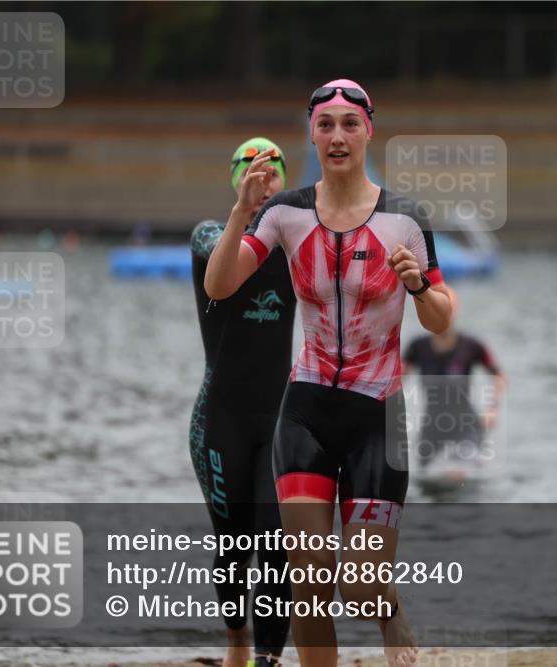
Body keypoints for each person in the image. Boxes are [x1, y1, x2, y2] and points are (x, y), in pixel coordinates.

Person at [204, 79, 452, 667]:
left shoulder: (405, 219)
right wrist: (243, 210)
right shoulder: (284, 212)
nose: (337, 136)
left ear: (369, 130)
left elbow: (442, 319)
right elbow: (220, 284)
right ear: (312, 134)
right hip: (307, 410)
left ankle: (388, 609)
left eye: (349, 124)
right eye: (325, 125)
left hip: (377, 415)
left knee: (361, 592)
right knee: (310, 584)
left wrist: (417, 284)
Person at [190, 137, 295, 667]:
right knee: (235, 547)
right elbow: (219, 258)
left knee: (277, 549)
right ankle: (236, 643)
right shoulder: (211, 233)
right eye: (250, 167)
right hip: (220, 420)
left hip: (278, 421)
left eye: (272, 166)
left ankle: (269, 659)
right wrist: (244, 212)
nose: (261, 174)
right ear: (234, 177)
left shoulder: (298, 239)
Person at [401, 288, 505, 478]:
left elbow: (498, 376)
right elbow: (397, 380)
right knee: (422, 475)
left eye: (447, 310)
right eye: (436, 310)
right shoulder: (417, 347)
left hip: (466, 424)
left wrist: (492, 409)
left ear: (454, 311)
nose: (442, 316)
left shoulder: (472, 346)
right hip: (433, 424)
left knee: (458, 473)